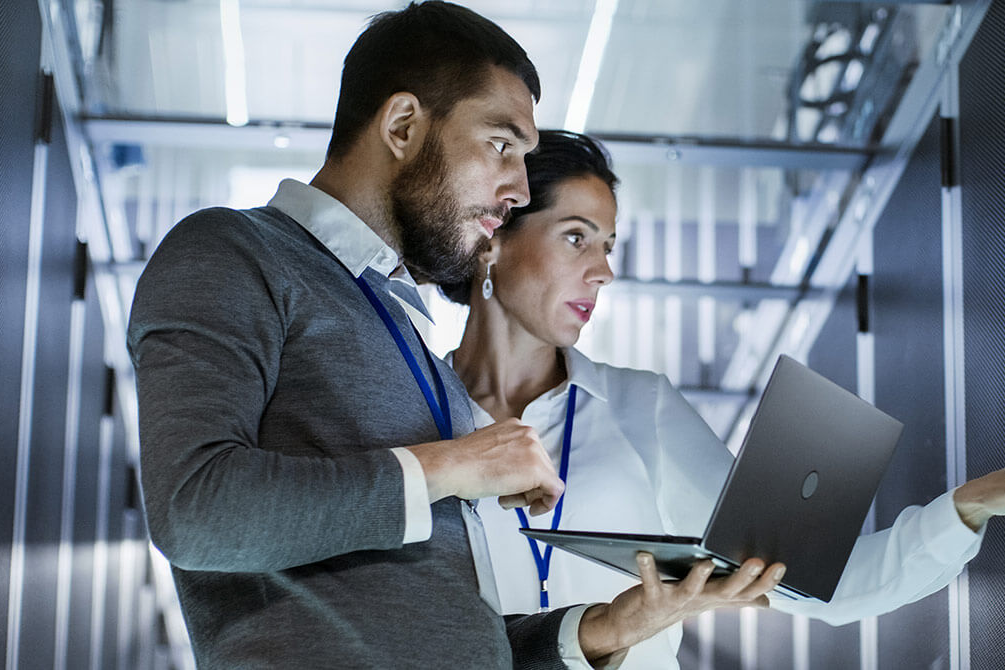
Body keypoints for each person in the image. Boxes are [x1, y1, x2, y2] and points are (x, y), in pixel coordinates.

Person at [127, 4, 782, 668]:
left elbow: (443, 626)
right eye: (502, 145)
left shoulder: (404, 334)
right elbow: (194, 509)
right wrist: (455, 465)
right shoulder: (232, 251)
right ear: (404, 125)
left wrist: (604, 628)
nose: (520, 190)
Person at [442, 129, 1005, 667]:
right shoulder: (414, 418)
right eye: (576, 238)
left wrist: (975, 503)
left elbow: (820, 589)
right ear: (494, 239)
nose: (605, 269)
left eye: (609, 244)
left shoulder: (638, 409)